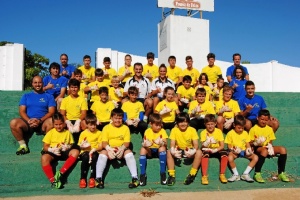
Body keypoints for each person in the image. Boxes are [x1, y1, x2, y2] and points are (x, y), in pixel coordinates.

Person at [10, 76, 56, 155]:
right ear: (32, 84)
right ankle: (23, 146)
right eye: (35, 82)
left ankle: (45, 147)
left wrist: (40, 120)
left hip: (43, 122)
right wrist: (29, 120)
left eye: (39, 82)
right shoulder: (26, 96)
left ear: (43, 83)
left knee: (52, 121)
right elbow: (22, 111)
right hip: (28, 122)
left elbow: (51, 112)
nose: (37, 85)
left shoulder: (49, 96)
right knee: (13, 122)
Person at [95, 108, 140, 189]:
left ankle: (135, 178)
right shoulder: (106, 128)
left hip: (121, 149)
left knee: (129, 153)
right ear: (111, 118)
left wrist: (122, 149)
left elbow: (127, 143)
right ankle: (98, 179)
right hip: (110, 150)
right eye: (116, 118)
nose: (118, 120)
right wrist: (109, 149)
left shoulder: (125, 128)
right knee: (102, 154)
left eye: (120, 118)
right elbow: (104, 142)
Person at [41, 113, 80, 189]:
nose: (58, 126)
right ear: (53, 124)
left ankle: (61, 173)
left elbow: (71, 144)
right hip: (53, 152)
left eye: (60, 124)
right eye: (56, 124)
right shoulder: (50, 133)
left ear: (64, 124)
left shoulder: (67, 132)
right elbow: (45, 146)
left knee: (75, 152)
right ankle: (53, 180)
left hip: (63, 152)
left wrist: (67, 147)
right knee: (44, 158)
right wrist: (51, 149)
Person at [249, 110, 290, 183]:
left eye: (266, 120)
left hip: (267, 147)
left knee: (283, 149)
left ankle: (281, 173)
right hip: (258, 148)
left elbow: (270, 141)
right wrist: (256, 142)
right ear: (257, 118)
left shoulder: (269, 129)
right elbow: (250, 142)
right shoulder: (253, 129)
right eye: (262, 119)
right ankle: (257, 173)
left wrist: (270, 147)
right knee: (264, 151)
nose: (263, 121)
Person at [166, 112, 203, 186]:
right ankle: (171, 175)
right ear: (177, 123)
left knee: (199, 152)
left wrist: (193, 151)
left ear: (188, 122)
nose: (183, 124)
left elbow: (196, 144)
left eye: (185, 121)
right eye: (180, 122)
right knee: (169, 152)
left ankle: (192, 174)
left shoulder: (192, 130)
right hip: (178, 150)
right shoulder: (174, 130)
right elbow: (172, 143)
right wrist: (173, 150)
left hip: (189, 150)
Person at [224, 115, 258, 183]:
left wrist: (248, 149)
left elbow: (247, 143)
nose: (241, 129)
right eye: (239, 128)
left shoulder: (245, 133)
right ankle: (236, 174)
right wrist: (233, 150)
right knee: (230, 157)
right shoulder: (230, 133)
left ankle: (245, 174)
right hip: (234, 151)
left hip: (243, 151)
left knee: (256, 157)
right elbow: (229, 145)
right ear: (234, 125)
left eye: (242, 128)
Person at [139, 113, 168, 186]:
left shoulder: (162, 131)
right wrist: (145, 145)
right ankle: (142, 174)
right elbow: (145, 141)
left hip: (158, 151)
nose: (159, 127)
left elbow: (165, 142)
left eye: (160, 125)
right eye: (156, 125)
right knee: (143, 149)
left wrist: (162, 142)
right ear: (151, 124)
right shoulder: (147, 131)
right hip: (150, 151)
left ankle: (163, 173)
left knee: (162, 148)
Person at [200, 114, 228, 184]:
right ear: (205, 124)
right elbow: (203, 146)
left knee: (224, 154)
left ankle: (222, 174)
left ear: (215, 124)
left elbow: (222, 145)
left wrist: (215, 150)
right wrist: (206, 143)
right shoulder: (203, 132)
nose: (210, 126)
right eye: (208, 124)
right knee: (204, 154)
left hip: (217, 149)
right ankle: (204, 176)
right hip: (207, 149)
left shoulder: (218, 131)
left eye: (212, 124)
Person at [78, 114, 103, 188]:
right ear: (87, 125)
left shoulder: (99, 133)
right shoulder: (83, 133)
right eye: (91, 125)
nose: (93, 127)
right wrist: (83, 146)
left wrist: (94, 149)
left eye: (94, 124)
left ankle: (92, 177)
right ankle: (83, 178)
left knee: (95, 156)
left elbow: (100, 146)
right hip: (85, 151)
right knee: (85, 157)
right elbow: (80, 145)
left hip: (95, 151)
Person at [60, 78, 88, 143]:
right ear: (69, 88)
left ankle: (83, 142)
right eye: (72, 87)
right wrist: (67, 122)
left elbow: (84, 114)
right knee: (60, 124)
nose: (74, 89)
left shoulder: (82, 99)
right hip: (68, 120)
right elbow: (62, 114)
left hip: (78, 120)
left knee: (84, 124)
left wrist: (78, 121)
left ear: (78, 88)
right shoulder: (65, 100)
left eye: (75, 87)